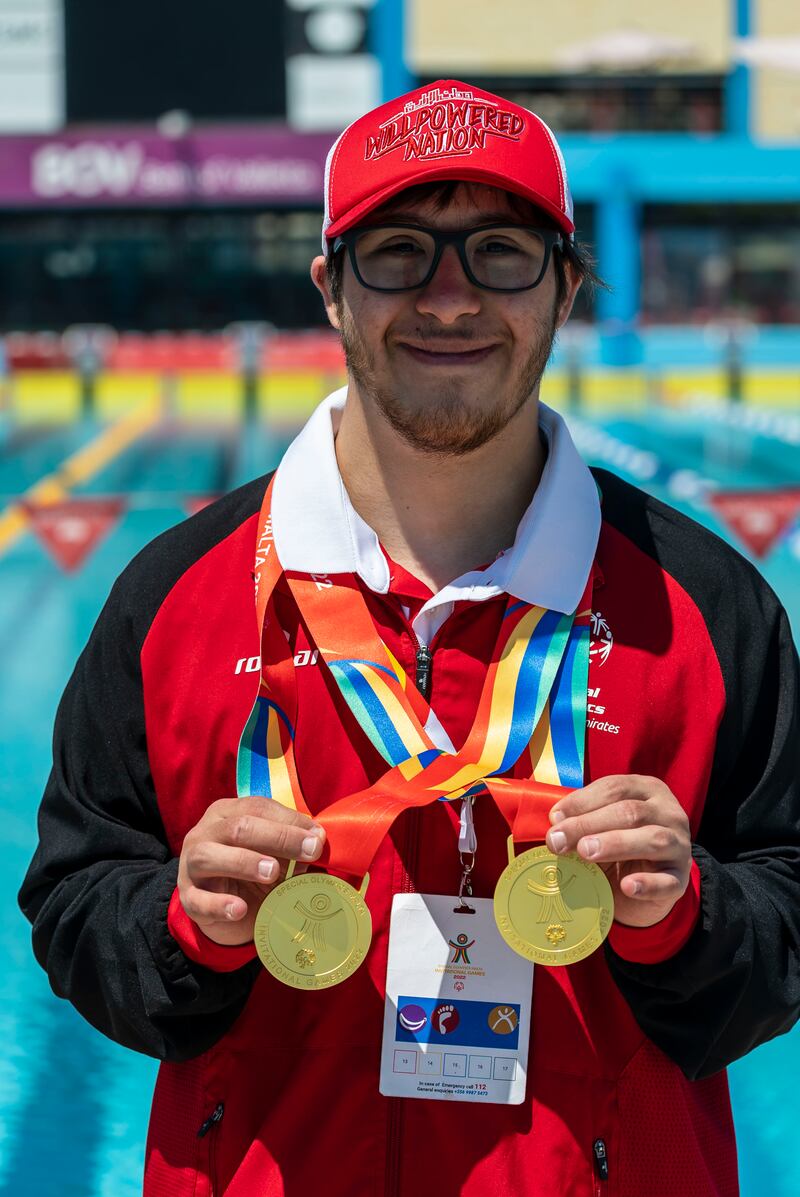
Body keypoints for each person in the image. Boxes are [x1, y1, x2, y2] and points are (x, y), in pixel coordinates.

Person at [19, 79, 800, 1197]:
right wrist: (180, 923)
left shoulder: (701, 604)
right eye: (396, 250)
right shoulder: (172, 597)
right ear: (329, 288)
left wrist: (687, 912)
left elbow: (784, 928)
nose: (447, 298)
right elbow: (72, 904)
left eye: (499, 249)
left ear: (564, 286)